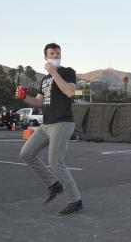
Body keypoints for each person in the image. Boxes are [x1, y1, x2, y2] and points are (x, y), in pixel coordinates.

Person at [17, 43, 82, 215]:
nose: (55, 56)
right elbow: (39, 102)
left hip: (62, 123)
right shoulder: (44, 80)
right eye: (51, 53)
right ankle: (53, 184)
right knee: (26, 153)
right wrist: (24, 98)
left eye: (58, 53)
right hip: (46, 124)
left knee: (55, 161)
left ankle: (75, 200)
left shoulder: (67, 72)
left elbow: (69, 92)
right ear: (45, 57)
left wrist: (54, 73)